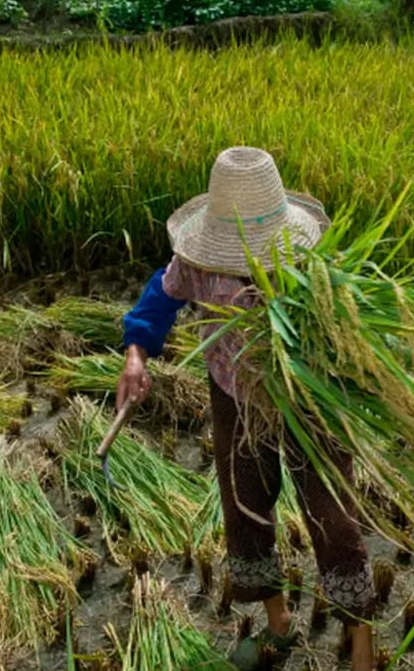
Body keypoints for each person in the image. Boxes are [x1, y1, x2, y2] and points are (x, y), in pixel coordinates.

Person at [115, 146, 378, 670]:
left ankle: (364, 646)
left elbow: (352, 327)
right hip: (234, 395)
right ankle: (278, 623)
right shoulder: (197, 261)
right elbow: (159, 298)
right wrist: (136, 355)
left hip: (309, 399)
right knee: (245, 506)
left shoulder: (309, 263)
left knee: (333, 517)